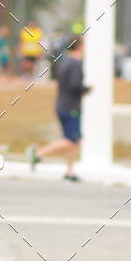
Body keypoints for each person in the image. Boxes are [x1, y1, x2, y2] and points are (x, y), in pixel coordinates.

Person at [27, 36, 90, 181]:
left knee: (76, 139)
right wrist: (86, 89)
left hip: (62, 104)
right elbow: (75, 85)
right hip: (71, 107)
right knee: (70, 141)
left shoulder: (64, 62)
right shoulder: (75, 63)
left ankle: (70, 172)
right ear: (79, 46)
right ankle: (37, 154)